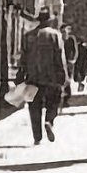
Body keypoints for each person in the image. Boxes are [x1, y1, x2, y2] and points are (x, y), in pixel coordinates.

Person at [20, 10, 68, 146]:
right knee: (54, 101)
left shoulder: (28, 36)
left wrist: (23, 73)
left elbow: (23, 58)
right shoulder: (55, 35)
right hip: (51, 76)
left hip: (32, 76)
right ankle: (49, 121)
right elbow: (60, 56)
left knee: (34, 106)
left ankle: (37, 136)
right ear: (49, 20)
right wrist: (63, 75)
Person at [61, 25, 78, 110]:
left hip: (69, 63)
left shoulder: (71, 39)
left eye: (65, 31)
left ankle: (66, 100)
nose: (64, 33)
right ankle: (60, 98)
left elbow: (75, 50)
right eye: (62, 31)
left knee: (68, 81)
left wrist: (73, 59)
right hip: (60, 63)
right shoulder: (59, 39)